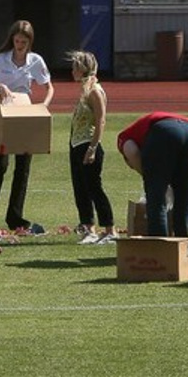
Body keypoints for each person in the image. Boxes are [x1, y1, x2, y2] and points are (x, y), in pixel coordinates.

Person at [0, 19, 55, 233]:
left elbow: (49, 87)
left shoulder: (36, 61)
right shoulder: (0, 59)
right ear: (12, 39)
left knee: (22, 169)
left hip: (25, 115)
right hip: (2, 115)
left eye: (24, 41)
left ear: (30, 42)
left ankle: (15, 217)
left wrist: (43, 107)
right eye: (17, 40)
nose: (20, 44)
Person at [116, 111, 188, 238]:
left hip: (164, 132)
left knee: (156, 196)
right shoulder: (142, 130)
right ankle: (183, 243)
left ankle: (160, 247)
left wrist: (150, 177)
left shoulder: (123, 137)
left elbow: (133, 153)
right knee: (184, 192)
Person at [67, 50, 115, 244]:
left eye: (74, 67)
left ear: (81, 68)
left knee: (94, 188)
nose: (71, 71)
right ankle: (89, 228)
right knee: (80, 188)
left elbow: (100, 120)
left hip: (88, 144)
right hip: (77, 144)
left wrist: (93, 148)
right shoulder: (85, 89)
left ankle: (110, 229)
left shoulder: (95, 90)